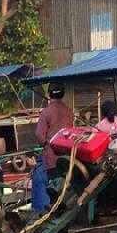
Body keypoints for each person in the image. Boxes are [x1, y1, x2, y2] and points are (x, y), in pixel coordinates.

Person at [31, 82, 75, 213]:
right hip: (67, 156)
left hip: (51, 157)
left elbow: (39, 134)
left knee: (51, 187)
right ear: (62, 94)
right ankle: (60, 208)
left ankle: (52, 211)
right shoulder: (69, 111)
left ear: (49, 94)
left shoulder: (46, 112)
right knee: (63, 186)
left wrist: (45, 145)